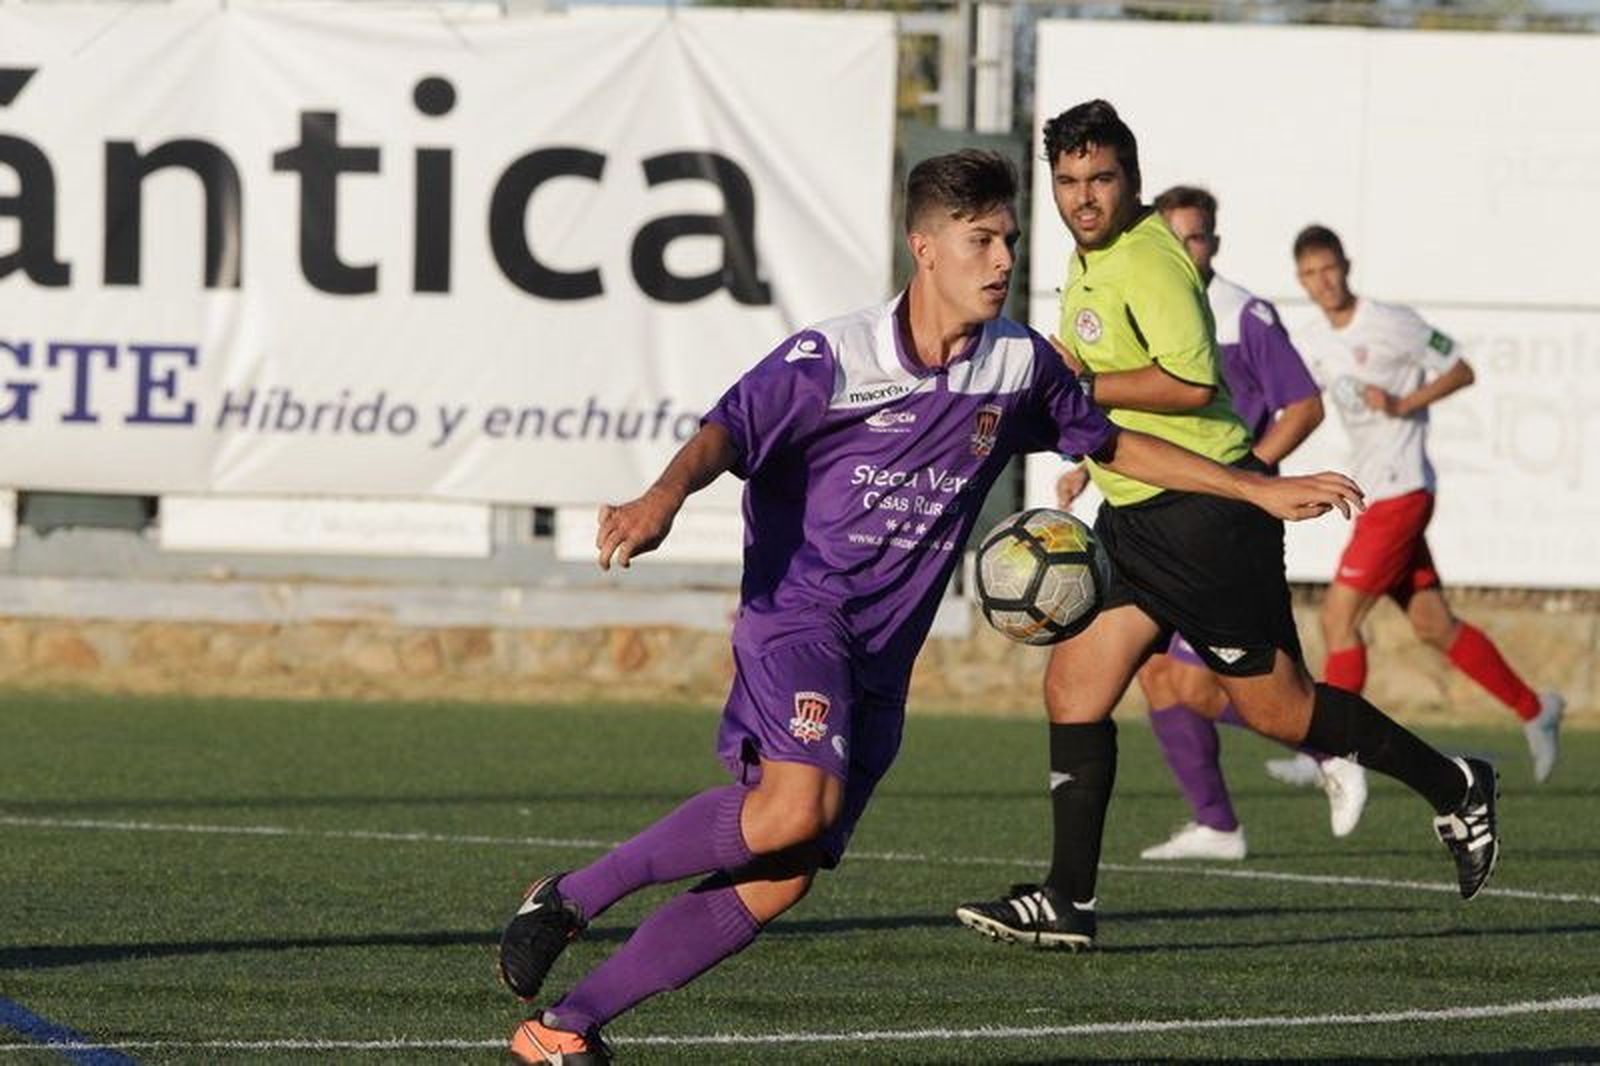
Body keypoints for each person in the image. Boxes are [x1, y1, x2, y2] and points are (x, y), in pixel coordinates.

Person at [493, 149, 1365, 1064]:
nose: (1003, 260)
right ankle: (571, 896)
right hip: (801, 616)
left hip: (883, 659)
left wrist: (1255, 488)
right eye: (981, 240)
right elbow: (727, 430)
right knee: (792, 810)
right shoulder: (837, 356)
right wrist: (661, 498)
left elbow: (1112, 443)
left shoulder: (1017, 363)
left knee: (783, 876)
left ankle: (564, 1029)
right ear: (926, 248)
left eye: (1010, 240)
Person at [956, 101, 1501, 954]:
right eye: (1067, 181)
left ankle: (1456, 783)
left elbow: (1190, 385)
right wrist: (1081, 422)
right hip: (1136, 515)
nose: (1083, 197)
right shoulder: (1088, 254)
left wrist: (1079, 388)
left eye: (1100, 179)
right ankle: (1068, 900)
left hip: (1205, 523)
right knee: (1074, 689)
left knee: (1283, 712)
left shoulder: (1149, 262)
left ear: (1132, 179)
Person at [1072, 185, 1369, 861]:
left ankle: (1332, 752)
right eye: (1173, 237)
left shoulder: (1242, 314)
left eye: (1198, 237)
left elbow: (1303, 405)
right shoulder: (1146, 303)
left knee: (1199, 684)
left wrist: (1248, 478)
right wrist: (1083, 470)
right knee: (1158, 677)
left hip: (1214, 528)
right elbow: (1141, 421)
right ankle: (1218, 824)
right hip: (1155, 520)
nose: (1186, 249)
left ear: (1215, 243)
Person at [1276, 225, 1564, 788]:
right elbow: (1296, 404)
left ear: (1346, 265)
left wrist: (1406, 401)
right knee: (1433, 623)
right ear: (1301, 282)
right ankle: (1536, 709)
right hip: (1375, 491)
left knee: (1338, 619)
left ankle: (1329, 759)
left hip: (1402, 489)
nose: (1323, 282)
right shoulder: (1312, 342)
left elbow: (1461, 368)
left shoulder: (1391, 322)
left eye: (1328, 268)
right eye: (1310, 274)